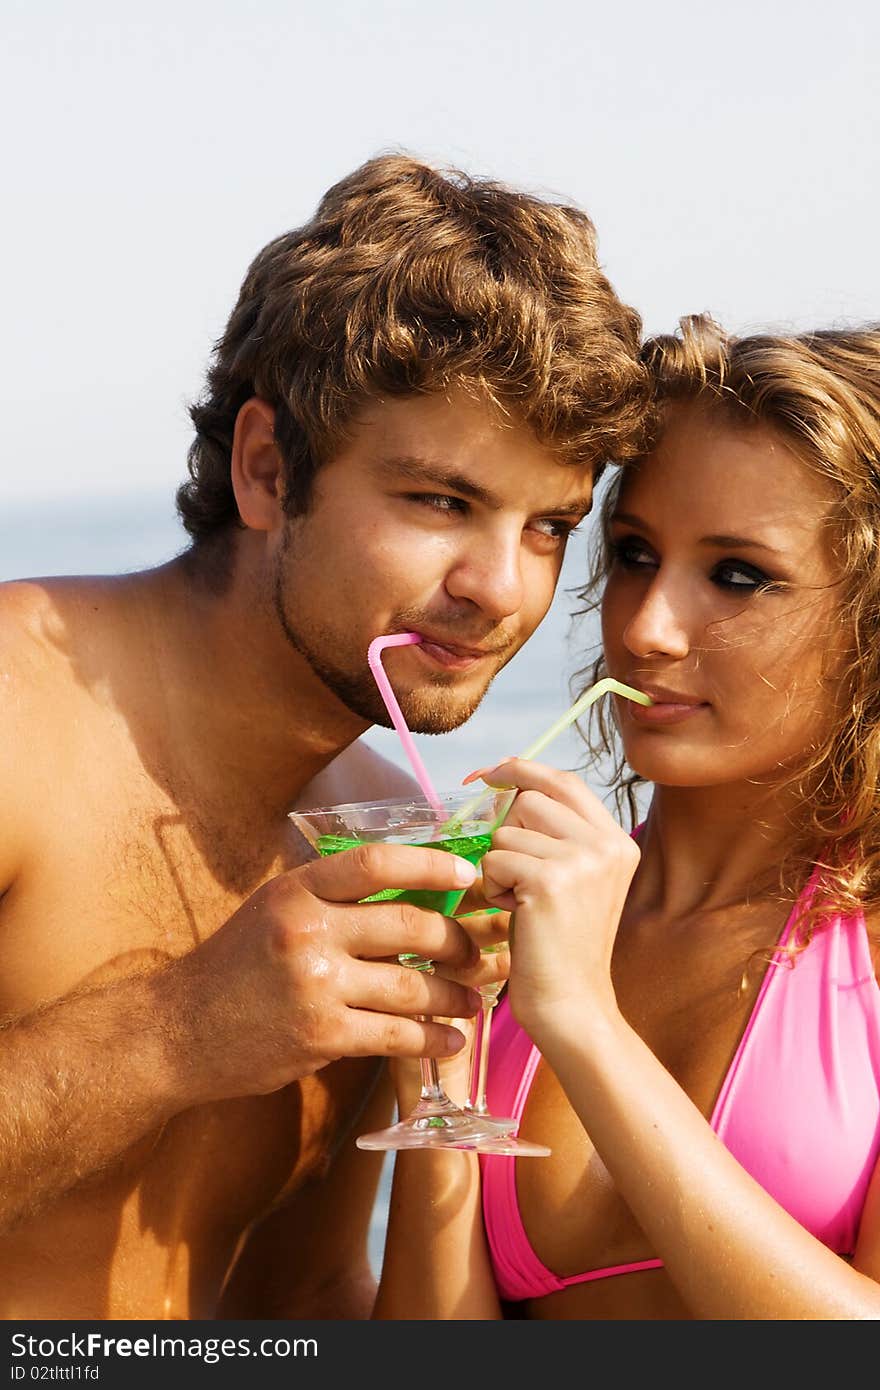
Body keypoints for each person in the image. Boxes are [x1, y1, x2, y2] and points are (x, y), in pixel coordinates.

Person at [0, 153, 650, 1320]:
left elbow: (298, 1295)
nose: (500, 589)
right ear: (265, 469)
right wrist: (175, 1029)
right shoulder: (16, 703)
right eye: (440, 501)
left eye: (550, 524)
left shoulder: (373, 819)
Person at [374, 314, 880, 1320]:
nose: (643, 630)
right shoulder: (524, 924)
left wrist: (585, 1025)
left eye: (737, 574)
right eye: (635, 554)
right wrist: (439, 1084)